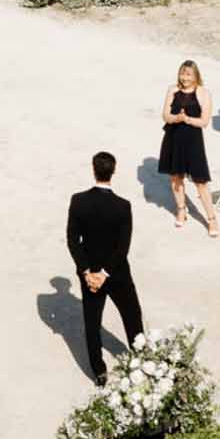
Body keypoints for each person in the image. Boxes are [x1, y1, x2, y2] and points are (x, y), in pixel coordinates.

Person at [66, 152, 144, 386]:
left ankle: (99, 372)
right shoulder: (123, 206)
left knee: (92, 323)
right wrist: (105, 273)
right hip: (117, 273)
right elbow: (123, 247)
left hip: (90, 274)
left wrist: (87, 271)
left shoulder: (78, 201)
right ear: (114, 171)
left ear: (94, 169)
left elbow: (72, 240)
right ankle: (142, 360)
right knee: (132, 316)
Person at [158, 60, 219, 236]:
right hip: (173, 137)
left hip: (193, 140)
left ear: (196, 76)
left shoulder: (203, 93)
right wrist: (176, 119)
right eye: (182, 74)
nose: (184, 78)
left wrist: (188, 120)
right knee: (175, 178)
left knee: (200, 181)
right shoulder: (172, 90)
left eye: (188, 74)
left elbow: (205, 121)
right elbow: (165, 115)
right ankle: (181, 210)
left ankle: (211, 219)